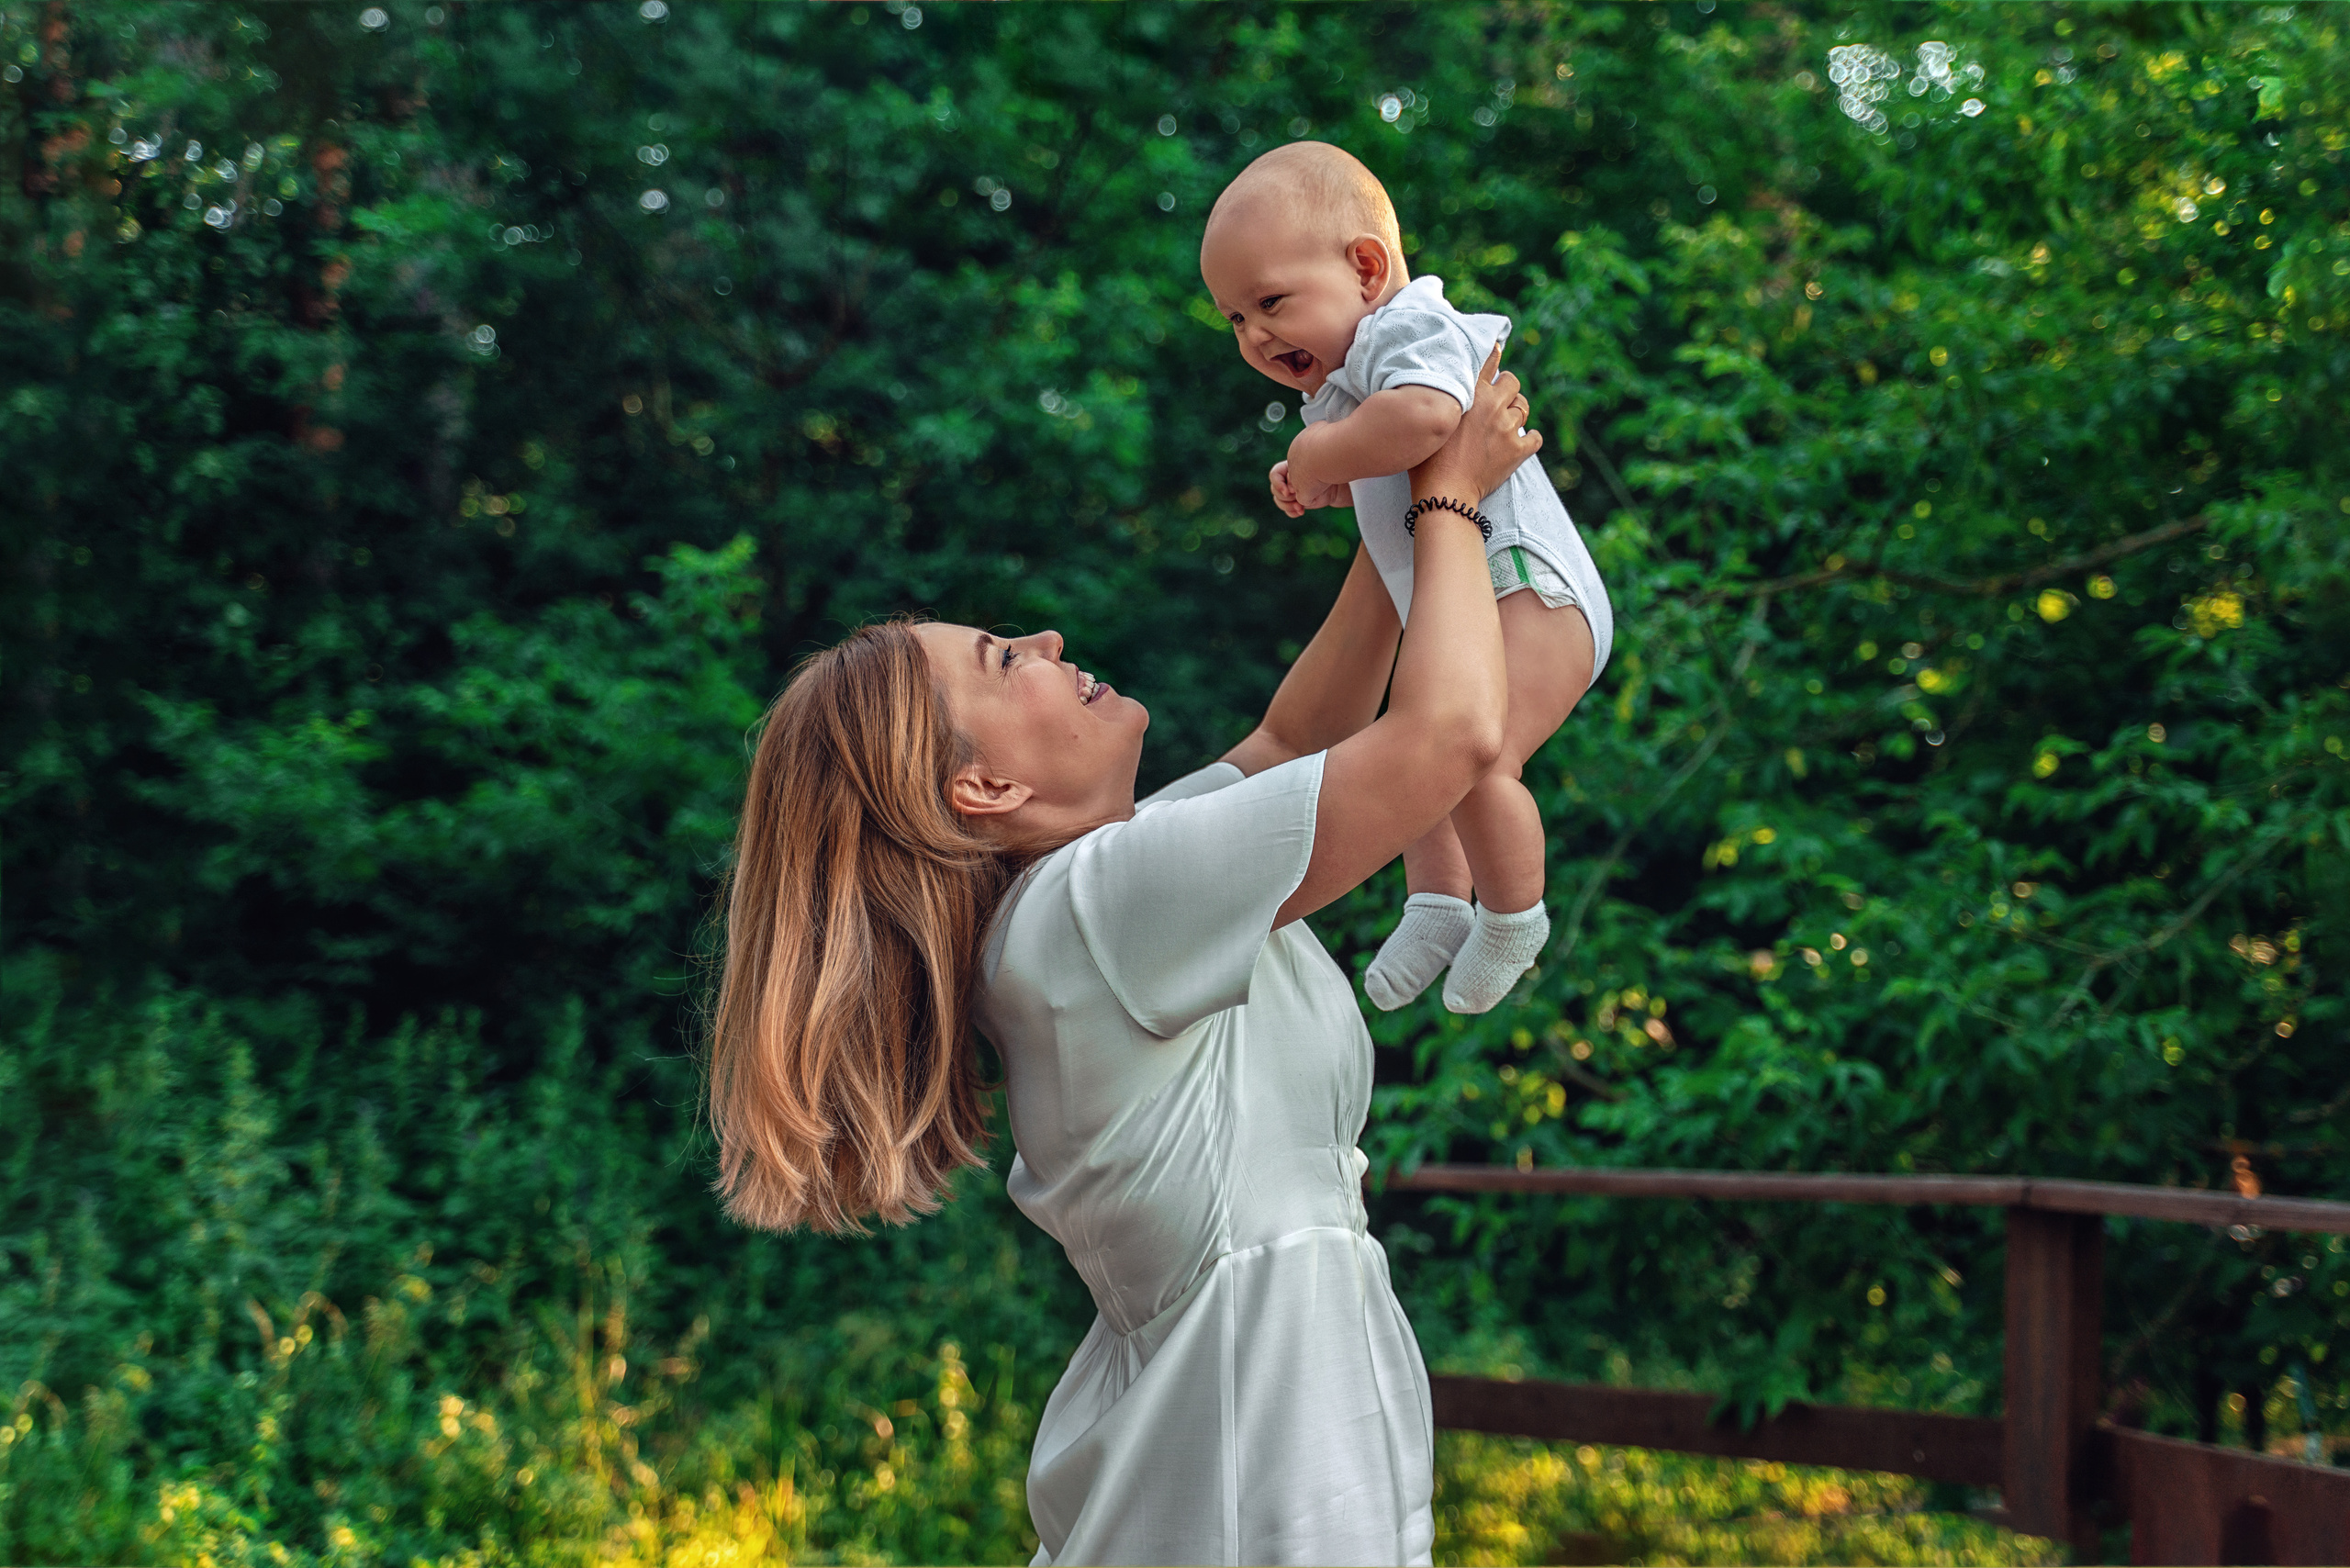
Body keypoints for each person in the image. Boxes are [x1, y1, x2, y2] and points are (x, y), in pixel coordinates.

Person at [705, 355, 1542, 1565]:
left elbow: (1298, 732)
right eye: (1004, 658)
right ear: (981, 786)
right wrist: (1452, 503)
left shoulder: (1104, 886)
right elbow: (1449, 734)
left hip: (1248, 1420)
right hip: (1253, 1441)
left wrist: (1397, 493)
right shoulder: (1104, 905)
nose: (1047, 637)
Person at [1199, 140, 1612, 1014]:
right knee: (1417, 751)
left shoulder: (1409, 326)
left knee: (1479, 753)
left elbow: (1428, 420)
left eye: (1270, 302)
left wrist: (1316, 452)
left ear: (1366, 266)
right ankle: (1434, 903)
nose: (1257, 336)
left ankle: (1513, 913)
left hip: (1530, 590)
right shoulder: (1353, 378)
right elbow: (1394, 465)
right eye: (1236, 320)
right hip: (1476, 598)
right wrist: (1336, 478)